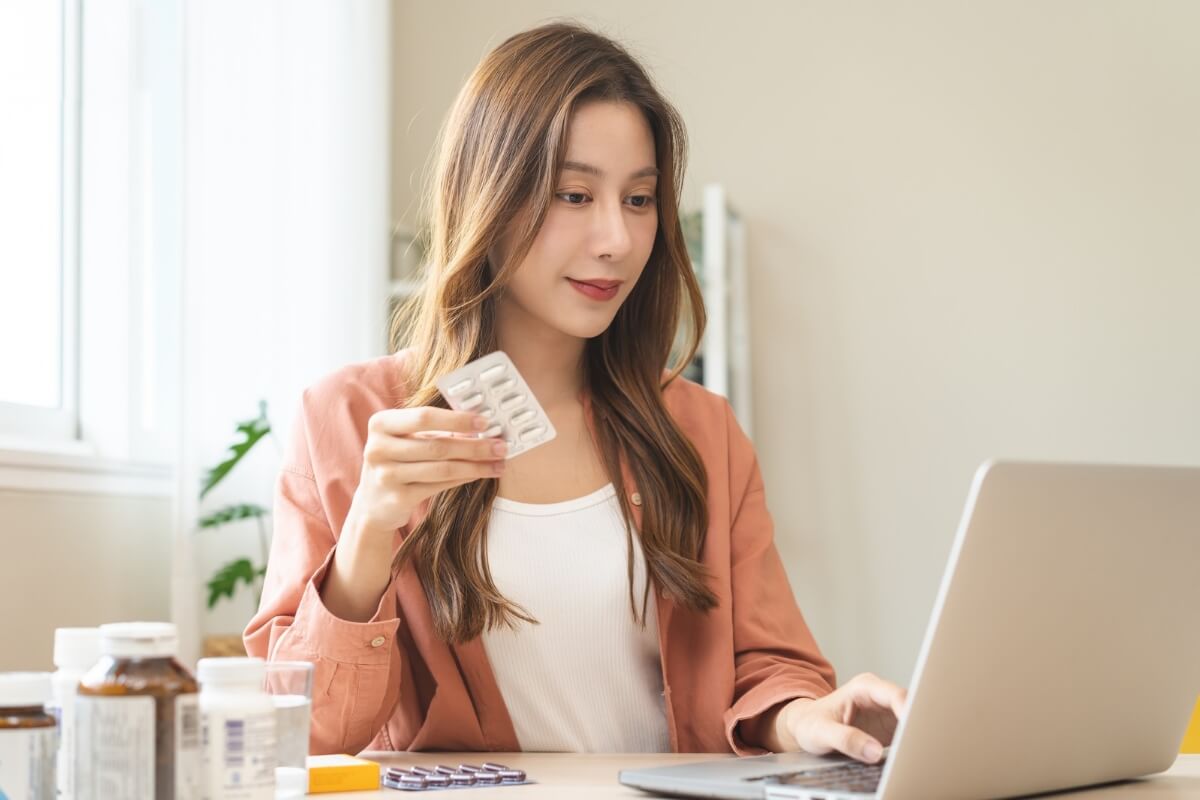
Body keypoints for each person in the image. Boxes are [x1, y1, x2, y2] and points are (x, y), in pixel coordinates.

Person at [244, 20, 907, 762]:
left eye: (638, 200)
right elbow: (298, 738)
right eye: (573, 194)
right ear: (486, 197)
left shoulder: (700, 430)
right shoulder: (348, 419)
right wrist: (367, 536)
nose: (616, 241)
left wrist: (806, 719)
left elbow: (770, 667)